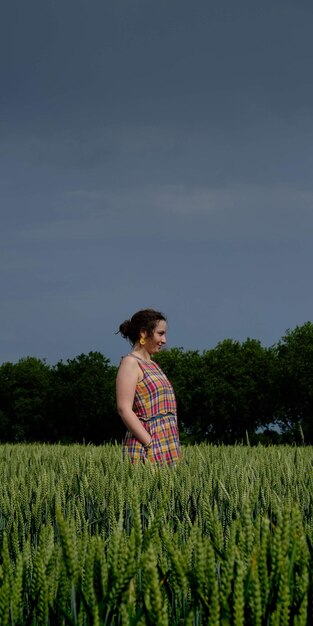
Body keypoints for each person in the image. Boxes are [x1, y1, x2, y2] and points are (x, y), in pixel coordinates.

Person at [116, 308, 181, 464]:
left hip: (167, 446)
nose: (164, 340)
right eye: (160, 333)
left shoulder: (153, 365)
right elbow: (123, 409)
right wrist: (150, 443)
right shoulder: (130, 363)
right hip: (146, 449)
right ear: (144, 333)